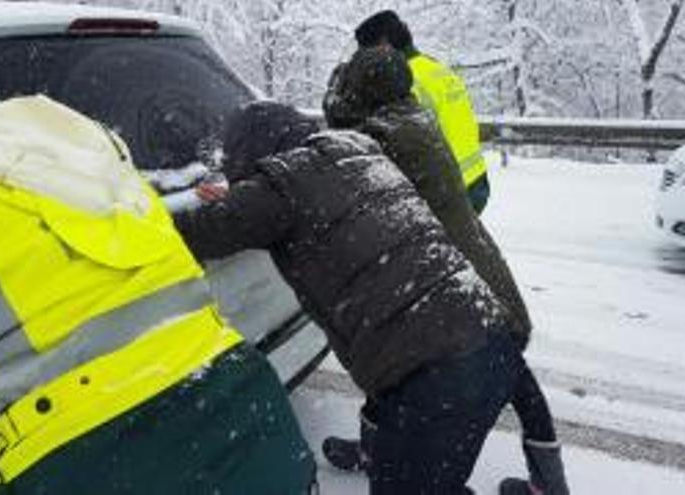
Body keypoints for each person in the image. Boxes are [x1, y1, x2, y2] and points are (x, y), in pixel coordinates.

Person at [173, 100, 526, 494]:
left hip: (436, 381)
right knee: (432, 476)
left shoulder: (279, 190)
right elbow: (306, 193)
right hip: (492, 345)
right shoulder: (358, 150)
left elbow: (199, 231)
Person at [0, 96, 315, 494]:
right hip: (247, 407)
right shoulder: (79, 148)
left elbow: (221, 228)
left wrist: (226, 206)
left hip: (73, 458)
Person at [323, 46, 570, 495]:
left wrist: (337, 97)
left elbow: (341, 138)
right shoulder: (414, 118)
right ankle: (548, 483)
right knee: (517, 378)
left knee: (405, 372)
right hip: (481, 268)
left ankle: (406, 466)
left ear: (363, 92)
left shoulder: (384, 136)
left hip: (457, 287)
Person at [353, 9, 491, 214]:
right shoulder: (436, 67)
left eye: (366, 51)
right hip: (476, 179)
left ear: (383, 44)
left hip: (447, 188)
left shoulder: (400, 81)